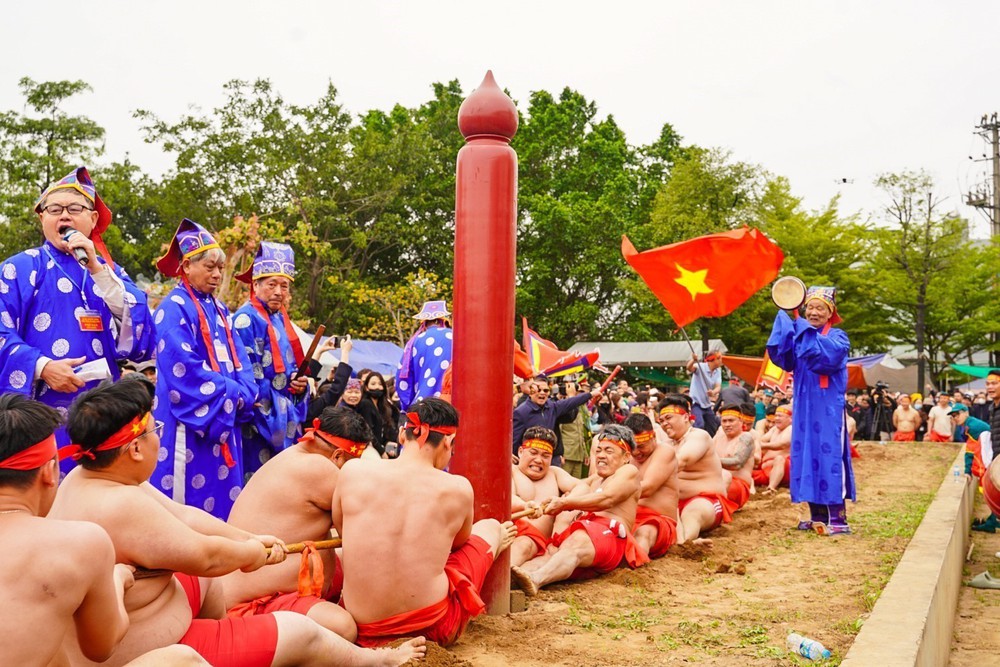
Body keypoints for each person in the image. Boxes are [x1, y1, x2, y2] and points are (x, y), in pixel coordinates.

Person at [50, 377, 424, 667]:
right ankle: (374, 661)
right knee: (303, 632)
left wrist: (249, 538)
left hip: (155, 615)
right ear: (134, 448)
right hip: (145, 650)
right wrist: (251, 553)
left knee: (207, 580)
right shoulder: (120, 503)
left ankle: (227, 634)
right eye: (155, 431)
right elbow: (206, 557)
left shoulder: (88, 479)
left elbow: (187, 516)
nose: (158, 440)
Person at [0, 167, 156, 471]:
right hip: (39, 410)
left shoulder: (108, 272)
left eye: (74, 209)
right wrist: (42, 367)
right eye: (54, 210)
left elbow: (140, 330)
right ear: (42, 218)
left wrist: (98, 269)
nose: (64, 217)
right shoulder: (18, 268)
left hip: (102, 411)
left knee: (98, 486)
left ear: (93, 219)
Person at [333, 398, 516, 647]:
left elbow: (342, 529)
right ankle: (497, 536)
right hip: (433, 628)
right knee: (489, 528)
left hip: (362, 629)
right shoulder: (458, 488)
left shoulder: (353, 471)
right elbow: (459, 544)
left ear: (402, 434)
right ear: (448, 442)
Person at [223, 407, 371, 640]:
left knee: (345, 555)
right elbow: (368, 520)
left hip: (272, 587)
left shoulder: (294, 455)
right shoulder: (318, 468)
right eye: (353, 465)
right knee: (343, 627)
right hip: (255, 604)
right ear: (338, 456)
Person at [151, 219, 258, 519]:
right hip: (189, 421)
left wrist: (245, 392)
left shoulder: (221, 310)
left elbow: (241, 360)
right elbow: (183, 369)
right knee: (186, 509)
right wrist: (233, 393)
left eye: (220, 268)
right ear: (186, 266)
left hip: (224, 415)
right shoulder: (172, 307)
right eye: (210, 267)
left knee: (223, 502)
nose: (217, 274)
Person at [511, 424, 648, 595]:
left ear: (626, 456)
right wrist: (561, 502)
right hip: (584, 538)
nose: (601, 455)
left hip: (609, 534)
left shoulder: (628, 471)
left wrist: (565, 503)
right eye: (598, 450)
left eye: (608, 451)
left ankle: (536, 579)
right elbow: (578, 488)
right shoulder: (595, 479)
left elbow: (607, 498)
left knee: (577, 540)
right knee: (550, 552)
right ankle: (513, 579)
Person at [766, 285, 855, 535]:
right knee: (806, 457)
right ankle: (817, 517)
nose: (814, 312)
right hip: (804, 409)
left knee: (829, 458)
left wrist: (800, 327)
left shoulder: (838, 337)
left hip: (828, 411)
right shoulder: (801, 333)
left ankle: (838, 519)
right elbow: (783, 356)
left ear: (830, 313)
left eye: (820, 308)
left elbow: (823, 357)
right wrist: (787, 319)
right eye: (810, 308)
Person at [233, 242, 310, 479]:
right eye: (272, 284)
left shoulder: (280, 319)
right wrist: (267, 408)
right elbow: (247, 373)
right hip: (260, 416)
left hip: (282, 411)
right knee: (257, 478)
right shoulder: (245, 319)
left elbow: (290, 368)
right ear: (255, 284)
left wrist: (298, 384)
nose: (278, 291)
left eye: (284, 286)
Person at [657, 395, 733, 547]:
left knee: (693, 512)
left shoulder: (699, 436)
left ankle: (686, 542)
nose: (665, 423)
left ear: (685, 417)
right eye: (661, 420)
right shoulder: (665, 444)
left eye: (669, 418)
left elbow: (683, 461)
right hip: (673, 502)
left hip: (706, 500)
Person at [509, 426, 583, 566]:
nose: (538, 460)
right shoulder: (510, 471)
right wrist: (524, 505)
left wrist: (565, 502)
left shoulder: (555, 473)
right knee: (519, 543)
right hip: (511, 531)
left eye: (545, 456)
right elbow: (507, 500)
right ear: (520, 451)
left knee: (525, 544)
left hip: (536, 541)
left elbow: (583, 487)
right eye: (533, 453)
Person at [623, 413, 679, 559]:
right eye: (632, 447)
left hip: (658, 521)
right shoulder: (626, 455)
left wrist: (611, 493)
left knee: (644, 533)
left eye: (641, 446)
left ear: (653, 436)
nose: (636, 452)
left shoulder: (664, 451)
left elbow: (648, 488)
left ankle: (635, 563)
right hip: (628, 518)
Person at [513, 376, 600, 458]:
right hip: (530, 458)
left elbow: (571, 402)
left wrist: (591, 394)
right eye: (538, 390)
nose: (542, 393)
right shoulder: (521, 412)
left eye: (545, 390)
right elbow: (514, 441)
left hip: (550, 456)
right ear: (531, 392)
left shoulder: (552, 407)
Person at [396, 300, 453, 411]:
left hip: (423, 404)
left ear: (424, 323)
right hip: (452, 403)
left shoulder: (414, 341)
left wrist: (407, 406)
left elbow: (403, 379)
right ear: (445, 321)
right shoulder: (456, 336)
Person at [712, 403, 756, 511]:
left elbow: (737, 463)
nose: (727, 424)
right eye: (724, 421)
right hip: (716, 479)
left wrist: (710, 461)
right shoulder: (719, 436)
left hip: (738, 485)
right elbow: (706, 454)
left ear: (741, 421)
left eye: (731, 421)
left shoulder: (746, 437)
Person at [356, 371, 400, 457]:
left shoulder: (384, 405)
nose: (377, 387)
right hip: (370, 448)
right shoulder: (365, 404)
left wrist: (388, 443)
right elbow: (368, 431)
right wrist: (382, 452)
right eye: (373, 384)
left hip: (383, 446)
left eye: (380, 384)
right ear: (366, 387)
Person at [756, 404, 793, 496]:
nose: (776, 418)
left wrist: (762, 446)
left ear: (790, 419)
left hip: (783, 470)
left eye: (780, 416)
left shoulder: (791, 429)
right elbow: (761, 440)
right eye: (776, 415)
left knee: (779, 458)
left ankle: (771, 487)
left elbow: (783, 444)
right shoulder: (774, 429)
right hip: (766, 470)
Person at [559, 380, 592, 478]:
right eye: (578, 392)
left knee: (576, 483)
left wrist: (585, 454)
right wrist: (559, 454)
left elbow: (581, 433)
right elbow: (558, 432)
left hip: (578, 454)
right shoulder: (562, 408)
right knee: (563, 482)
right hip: (566, 454)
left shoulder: (579, 410)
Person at [685, 351, 722, 436]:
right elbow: (689, 368)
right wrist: (693, 360)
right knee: (699, 425)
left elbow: (718, 387)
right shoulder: (700, 367)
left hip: (707, 404)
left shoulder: (718, 371)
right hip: (696, 403)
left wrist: (713, 392)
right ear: (712, 359)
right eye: (719, 358)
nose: (721, 360)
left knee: (713, 427)